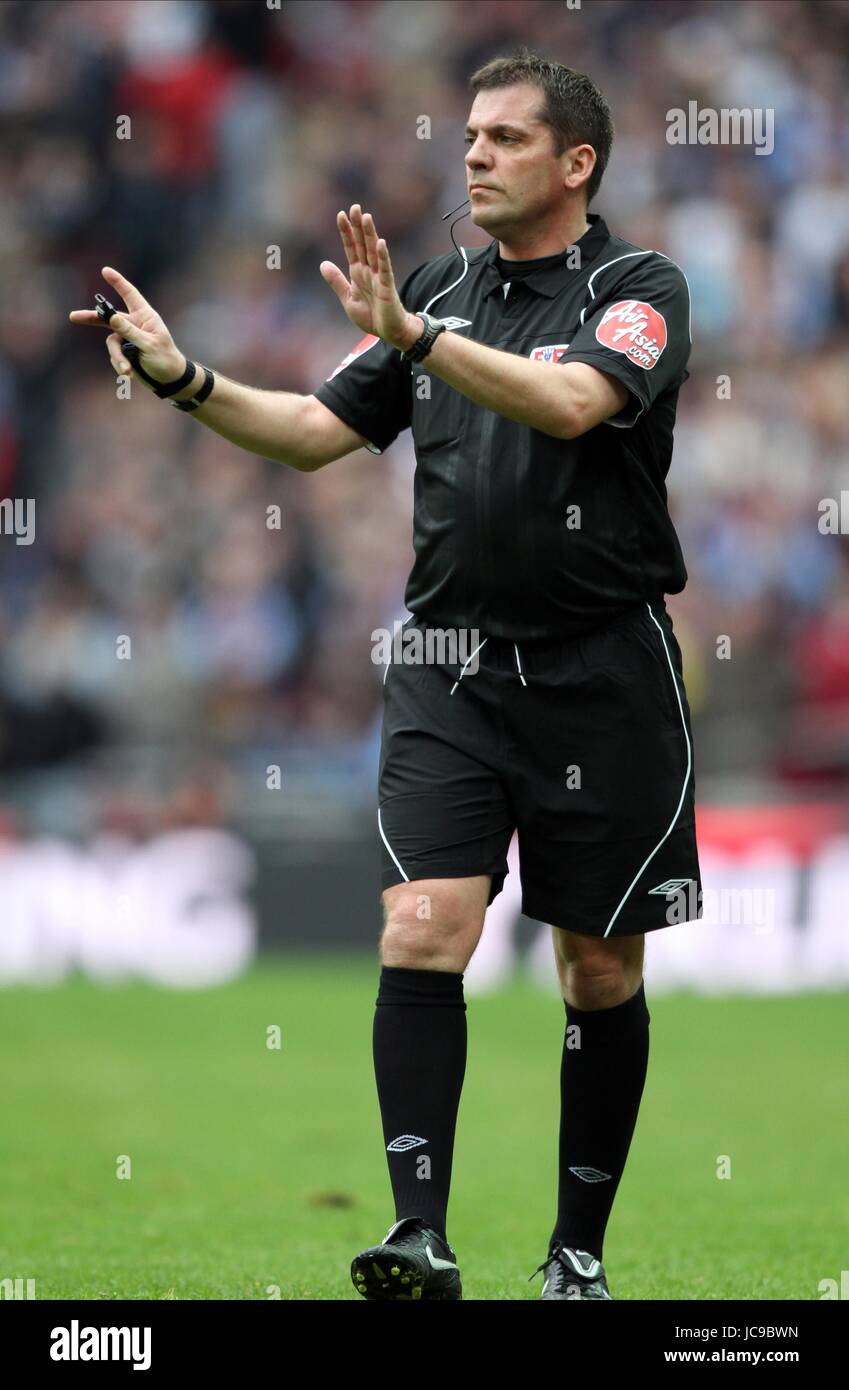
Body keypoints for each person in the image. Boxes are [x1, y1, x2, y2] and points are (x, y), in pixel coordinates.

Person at [70, 48, 702, 1302]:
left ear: (577, 164)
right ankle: (420, 1235)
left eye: (506, 138)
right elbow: (312, 432)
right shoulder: (438, 288)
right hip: (448, 669)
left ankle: (577, 1254)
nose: (473, 153)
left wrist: (422, 339)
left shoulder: (639, 287)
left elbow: (576, 403)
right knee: (421, 926)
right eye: (470, 134)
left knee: (599, 969)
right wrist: (183, 377)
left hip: (604, 675)